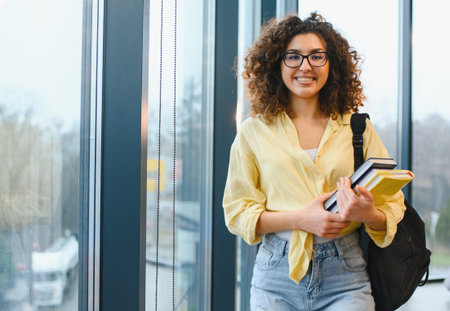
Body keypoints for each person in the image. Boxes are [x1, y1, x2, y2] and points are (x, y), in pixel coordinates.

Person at [223, 13, 406, 311]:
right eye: (293, 56)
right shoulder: (253, 132)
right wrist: (301, 219)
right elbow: (237, 213)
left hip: (345, 276)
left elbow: (393, 205)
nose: (305, 66)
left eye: (316, 56)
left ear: (331, 64)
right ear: (276, 64)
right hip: (275, 277)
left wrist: (368, 213)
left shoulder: (357, 127)